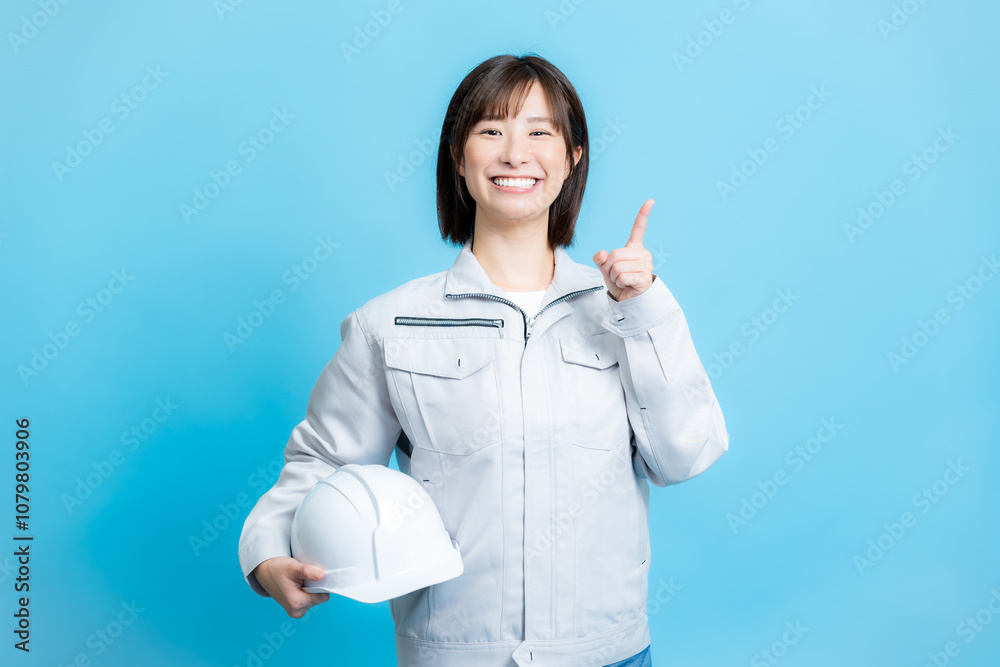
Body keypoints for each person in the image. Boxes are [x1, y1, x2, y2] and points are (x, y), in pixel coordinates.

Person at [238, 53, 729, 667]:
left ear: (573, 157)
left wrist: (646, 308)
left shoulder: (627, 309)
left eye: (540, 132)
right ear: (458, 155)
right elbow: (324, 462)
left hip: (607, 653)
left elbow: (684, 456)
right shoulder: (391, 324)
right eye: (491, 130)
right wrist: (266, 555)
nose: (516, 154)